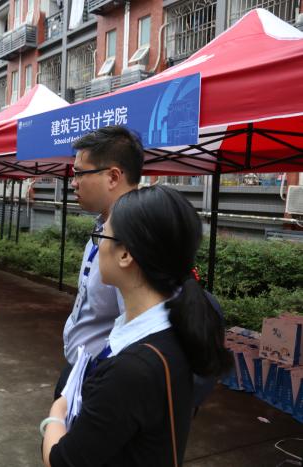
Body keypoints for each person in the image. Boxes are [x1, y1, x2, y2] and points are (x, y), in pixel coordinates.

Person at [41, 185, 232, 466]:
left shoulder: (133, 369)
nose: (98, 246)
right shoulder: (176, 331)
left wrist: (57, 413)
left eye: (102, 236)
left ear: (125, 254)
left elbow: (61, 461)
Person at [55, 126, 143, 399]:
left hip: (101, 382)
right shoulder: (103, 227)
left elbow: (135, 333)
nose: (73, 182)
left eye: (79, 173)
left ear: (113, 177)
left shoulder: (133, 240)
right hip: (81, 371)